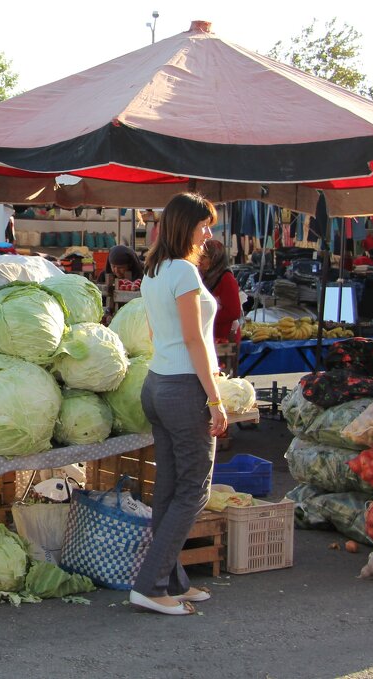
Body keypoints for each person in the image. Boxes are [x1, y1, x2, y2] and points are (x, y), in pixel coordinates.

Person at [129, 193, 228, 616]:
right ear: (184, 226)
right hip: (184, 389)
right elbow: (194, 340)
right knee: (192, 491)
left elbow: (156, 334)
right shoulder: (184, 272)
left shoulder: (154, 270)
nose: (209, 233)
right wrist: (215, 398)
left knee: (169, 491)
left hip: (158, 384)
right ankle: (150, 586)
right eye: (204, 225)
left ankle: (170, 580)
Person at [198, 239, 244, 341]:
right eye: (200, 256)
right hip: (210, 335)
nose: (200, 260)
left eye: (205, 257)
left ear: (215, 259)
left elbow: (234, 312)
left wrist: (205, 316)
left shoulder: (226, 278)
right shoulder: (202, 276)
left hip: (225, 339)